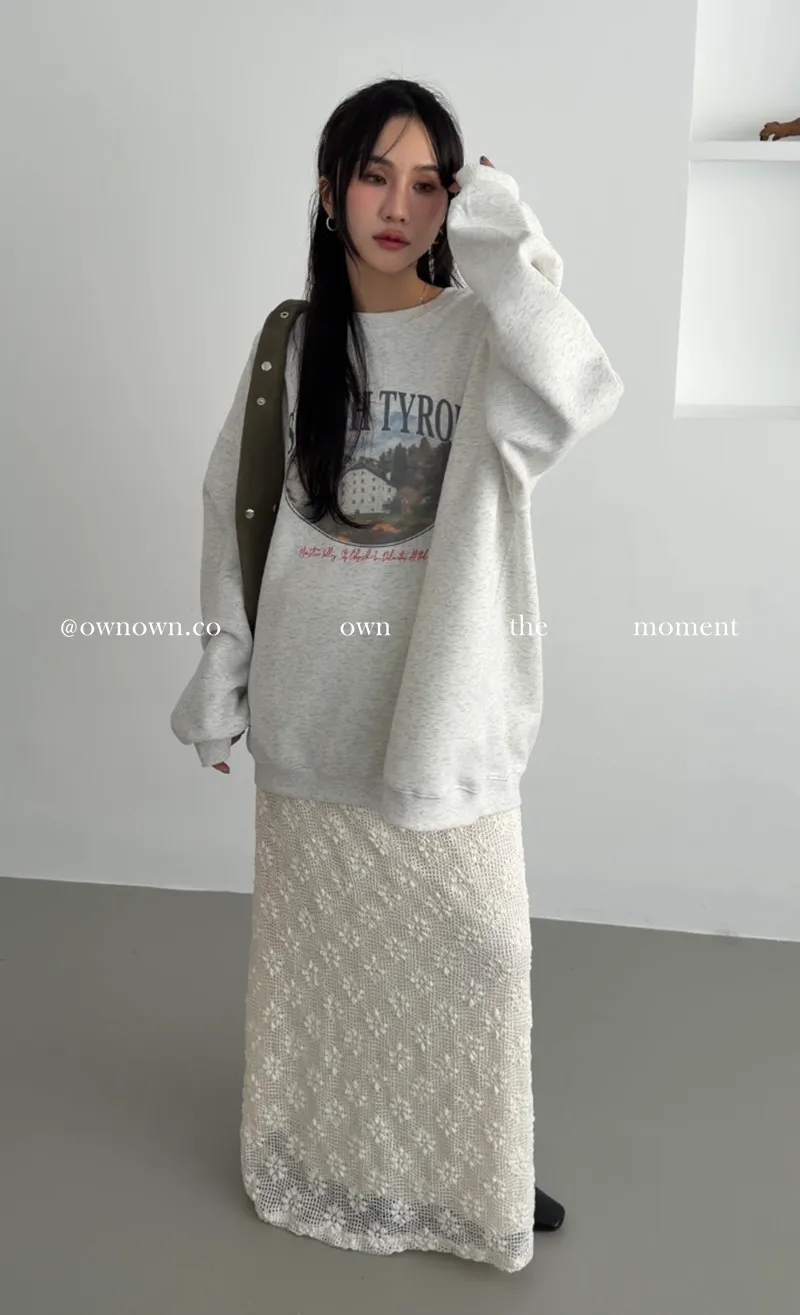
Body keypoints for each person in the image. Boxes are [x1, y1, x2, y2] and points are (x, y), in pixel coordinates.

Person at [170, 75, 623, 1272]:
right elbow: (234, 511)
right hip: (313, 701)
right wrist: (224, 676)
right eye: (374, 175)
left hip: (439, 708)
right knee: (323, 963)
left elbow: (578, 386)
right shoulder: (290, 341)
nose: (397, 207)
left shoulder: (483, 337)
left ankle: (478, 1166)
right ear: (329, 191)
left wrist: (503, 234)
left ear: (452, 201)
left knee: (482, 951)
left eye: (428, 184)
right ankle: (329, 1158)